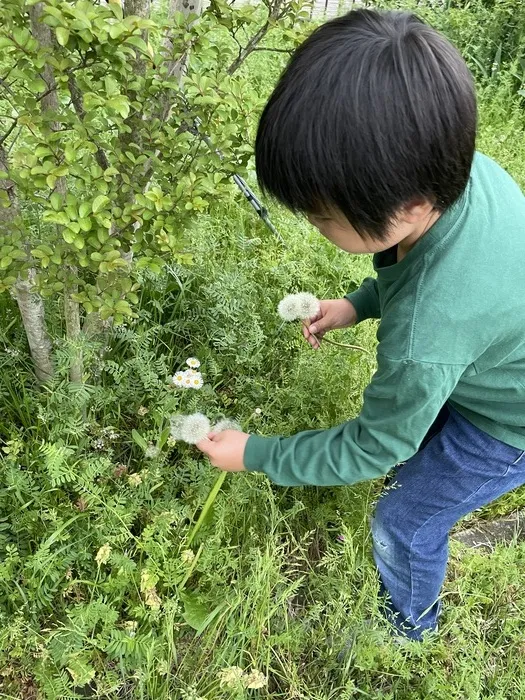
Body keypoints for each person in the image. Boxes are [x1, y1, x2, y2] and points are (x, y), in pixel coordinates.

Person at [196, 9, 525, 641]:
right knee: (420, 453)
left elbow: (376, 444)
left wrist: (256, 453)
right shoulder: (462, 172)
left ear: (409, 205)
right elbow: (421, 272)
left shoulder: (423, 341)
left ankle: (406, 632)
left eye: (322, 216)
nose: (315, 226)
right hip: (497, 353)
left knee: (405, 518)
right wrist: (354, 304)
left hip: (509, 424)